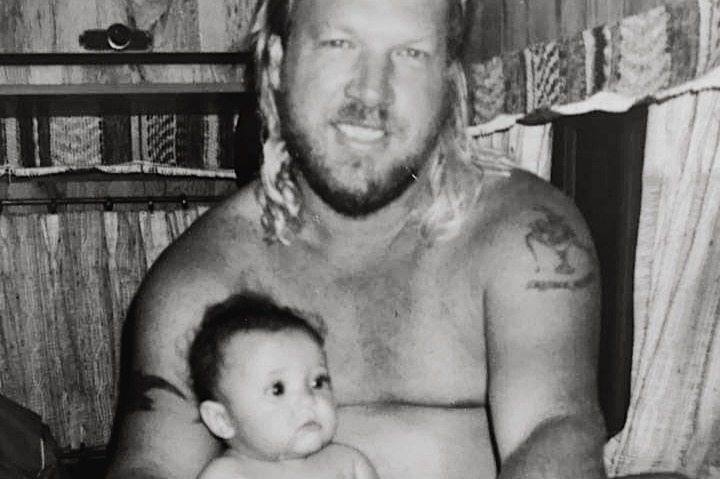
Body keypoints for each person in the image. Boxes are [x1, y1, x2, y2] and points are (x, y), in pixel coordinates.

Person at [105, 1, 682, 479]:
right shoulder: (199, 282)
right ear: (278, 63)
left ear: (448, 81)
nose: (371, 93)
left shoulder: (525, 238)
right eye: (339, 44)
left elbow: (554, 435)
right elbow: (152, 465)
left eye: (410, 53)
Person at [187, 293, 379, 479]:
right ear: (223, 420)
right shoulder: (226, 475)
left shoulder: (348, 463)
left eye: (317, 382)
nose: (308, 399)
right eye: (277, 389)